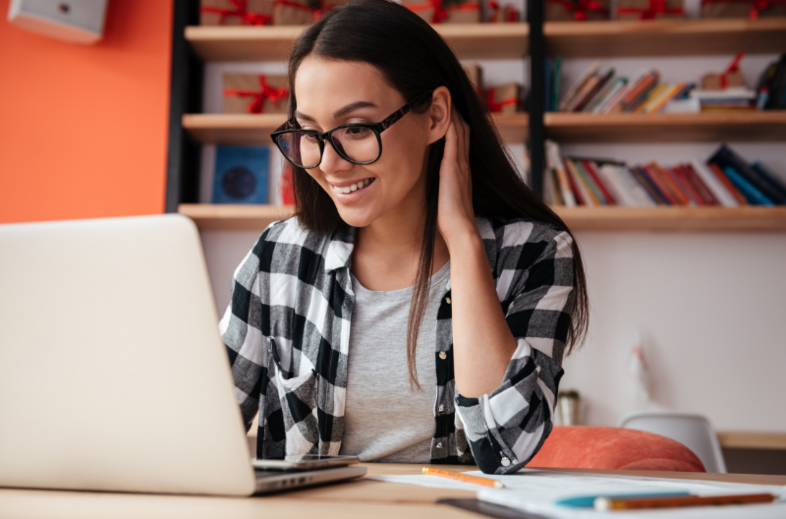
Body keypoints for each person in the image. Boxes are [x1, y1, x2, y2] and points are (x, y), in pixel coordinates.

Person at [219, 0, 588, 475]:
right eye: (310, 132)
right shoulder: (279, 256)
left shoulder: (535, 252)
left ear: (434, 116)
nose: (329, 163)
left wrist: (463, 241)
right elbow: (202, 430)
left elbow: (507, 446)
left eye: (355, 128)